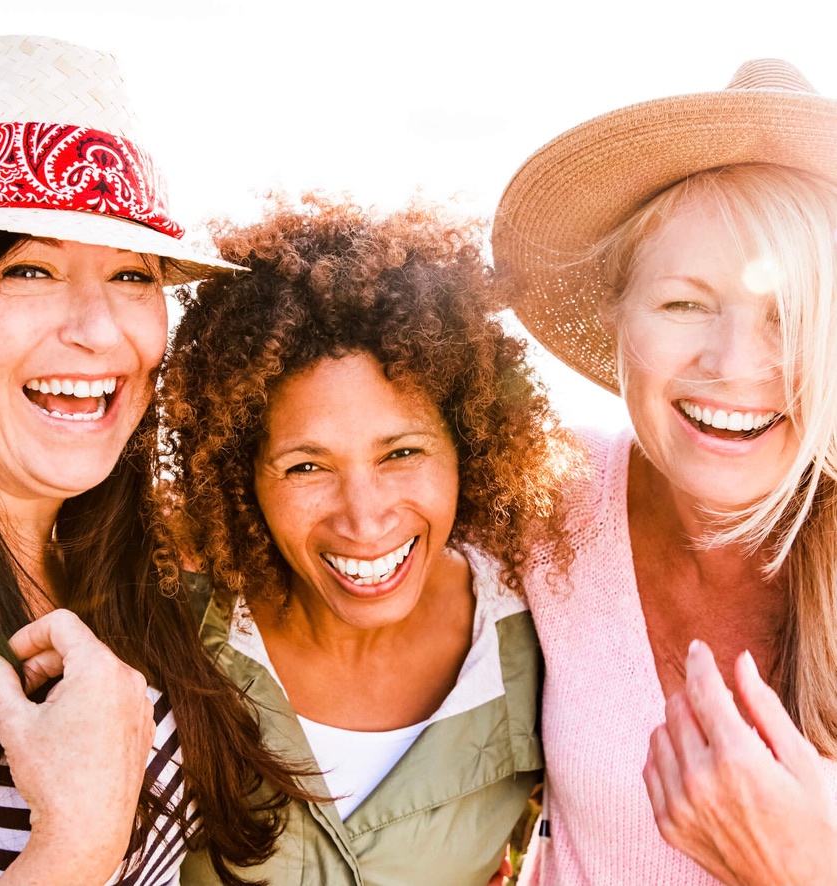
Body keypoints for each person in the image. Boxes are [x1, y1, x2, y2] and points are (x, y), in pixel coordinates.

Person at [0, 34, 307, 886]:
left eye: (133, 277)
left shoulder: (125, 569)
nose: (101, 330)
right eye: (28, 268)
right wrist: (79, 836)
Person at [150, 195, 578, 885]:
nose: (364, 517)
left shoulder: (537, 644)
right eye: (306, 466)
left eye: (402, 453)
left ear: (466, 444)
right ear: (240, 473)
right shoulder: (169, 637)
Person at [492, 59, 837, 885]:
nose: (733, 366)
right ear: (618, 310)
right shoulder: (541, 497)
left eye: (791, 317)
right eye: (685, 303)